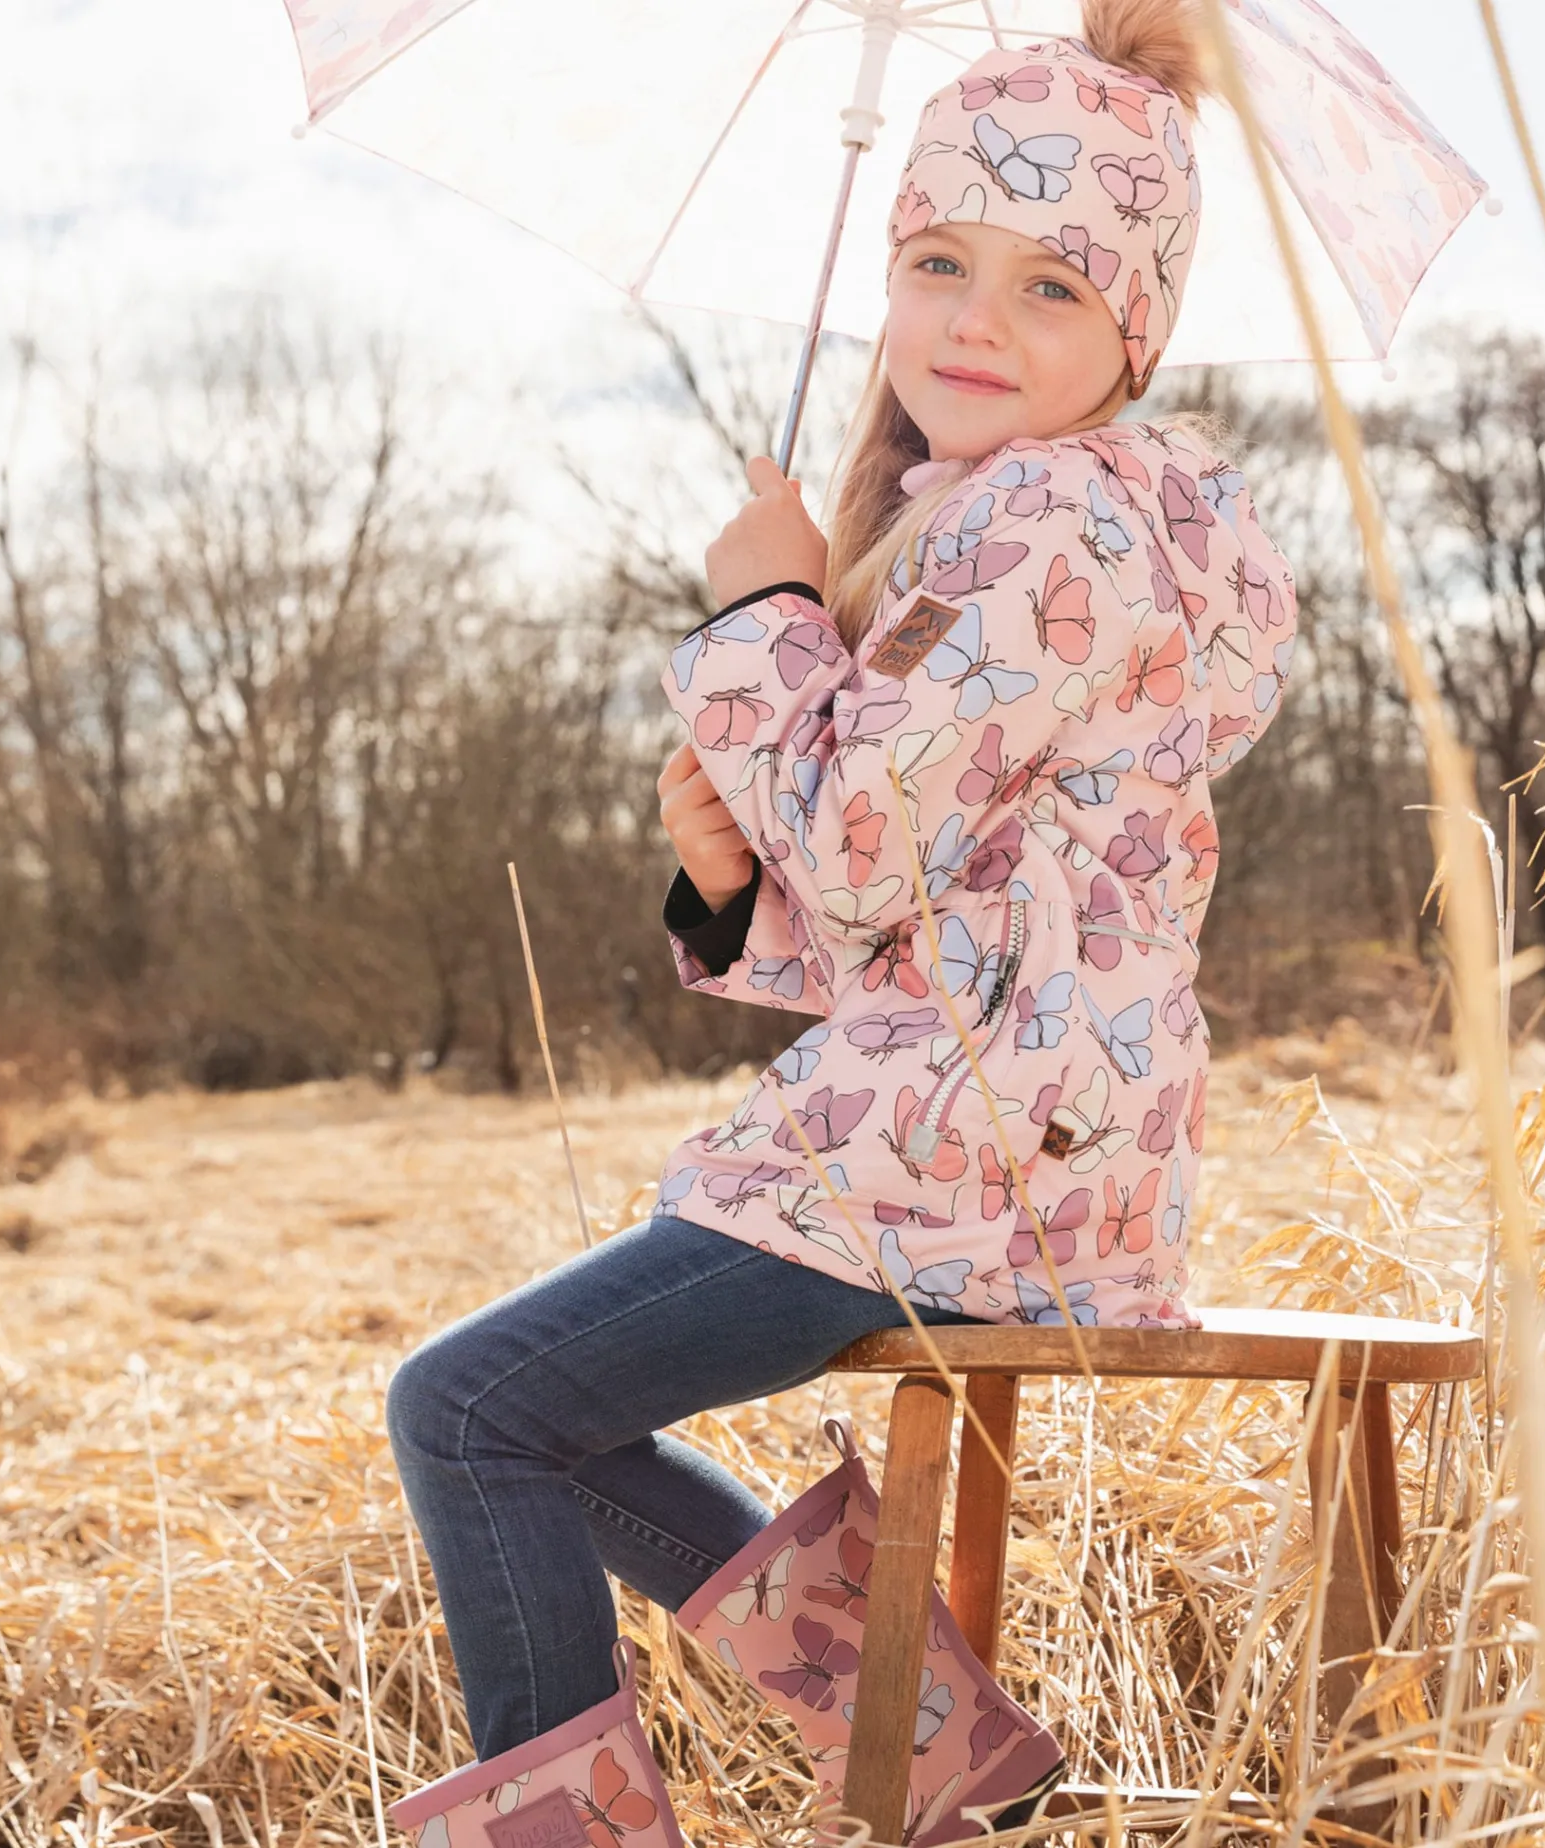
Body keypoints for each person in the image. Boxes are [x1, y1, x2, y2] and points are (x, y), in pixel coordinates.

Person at [384, 4, 1297, 1844]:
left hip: (964, 1149)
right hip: (1012, 1131)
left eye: (1050, 286)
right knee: (533, 1412)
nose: (975, 319)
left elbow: (864, 846)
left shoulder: (1047, 527)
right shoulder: (1032, 523)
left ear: (1135, 334)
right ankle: (949, 1754)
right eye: (939, 262)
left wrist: (763, 620)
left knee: (471, 1408)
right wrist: (728, 883)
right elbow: (909, 902)